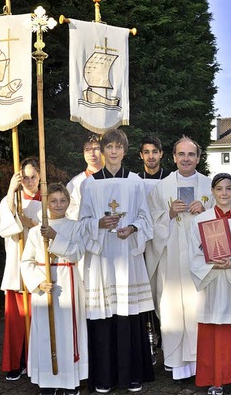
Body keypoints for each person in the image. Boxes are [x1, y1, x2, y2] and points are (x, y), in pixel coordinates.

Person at [79, 129, 154, 393]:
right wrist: (97, 223)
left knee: (128, 315)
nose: (113, 151)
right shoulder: (89, 184)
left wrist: (132, 228)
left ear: (124, 150)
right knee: (103, 317)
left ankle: (132, 375)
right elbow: (82, 223)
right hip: (101, 260)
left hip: (126, 257)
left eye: (117, 147)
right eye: (108, 146)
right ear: (101, 150)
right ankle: (103, 377)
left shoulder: (135, 182)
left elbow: (146, 219)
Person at [146, 136, 214, 380]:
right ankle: (175, 362)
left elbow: (222, 220)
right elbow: (150, 225)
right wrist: (168, 214)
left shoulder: (210, 186)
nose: (186, 159)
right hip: (171, 258)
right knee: (173, 307)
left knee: (199, 307)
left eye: (191, 154)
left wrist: (205, 212)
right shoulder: (161, 188)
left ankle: (202, 362)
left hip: (200, 259)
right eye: (181, 154)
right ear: (173, 157)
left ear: (198, 158)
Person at [189, 173, 231, 395]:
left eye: (228, 189)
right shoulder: (201, 220)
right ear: (212, 191)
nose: (224, 193)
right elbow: (193, 254)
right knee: (216, 332)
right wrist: (212, 266)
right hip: (215, 284)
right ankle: (215, 380)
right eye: (219, 189)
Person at [20, 183, 88, 395]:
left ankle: (70, 380)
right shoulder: (34, 232)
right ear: (46, 203)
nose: (58, 205)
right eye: (53, 201)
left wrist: (55, 237)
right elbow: (26, 261)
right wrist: (38, 281)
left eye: (62, 201)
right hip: (44, 286)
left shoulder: (76, 226)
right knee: (45, 333)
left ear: (68, 202)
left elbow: (77, 253)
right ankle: (48, 382)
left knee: (68, 332)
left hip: (68, 282)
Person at [0, 156, 42, 380]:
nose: (30, 181)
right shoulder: (13, 200)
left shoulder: (50, 200)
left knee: (37, 320)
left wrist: (31, 224)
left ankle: (34, 362)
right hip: (16, 268)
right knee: (16, 322)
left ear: (40, 176)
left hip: (39, 270)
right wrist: (11, 192)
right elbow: (4, 226)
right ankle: (15, 363)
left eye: (33, 177)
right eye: (25, 178)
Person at [67, 134, 102, 220]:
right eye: (87, 150)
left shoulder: (112, 179)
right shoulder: (75, 183)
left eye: (96, 149)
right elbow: (69, 212)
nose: (92, 154)